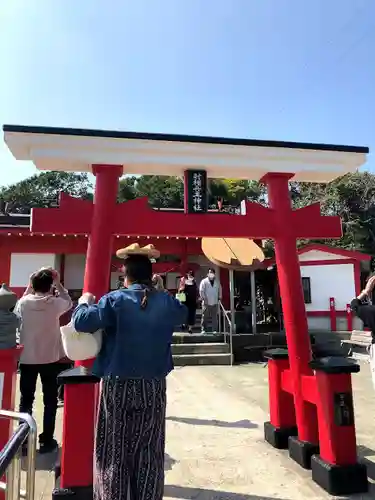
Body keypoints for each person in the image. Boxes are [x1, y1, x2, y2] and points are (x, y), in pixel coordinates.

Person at [72, 244, 187, 500]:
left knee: (114, 449)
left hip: (118, 382)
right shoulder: (165, 301)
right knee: (149, 449)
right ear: (151, 276)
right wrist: (160, 291)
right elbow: (183, 313)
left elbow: (81, 321)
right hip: (153, 384)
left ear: (126, 276)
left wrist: (83, 302)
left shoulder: (115, 300)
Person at [15, 268, 72, 453]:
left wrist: (29, 284)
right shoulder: (54, 303)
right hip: (50, 359)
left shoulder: (23, 303)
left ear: (33, 285)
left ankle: (22, 441)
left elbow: (18, 307)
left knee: (26, 401)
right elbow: (69, 301)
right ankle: (47, 440)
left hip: (27, 359)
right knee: (50, 401)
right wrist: (58, 283)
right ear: (50, 286)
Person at [199, 268, 222, 334]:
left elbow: (220, 290)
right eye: (210, 272)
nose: (211, 273)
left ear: (214, 274)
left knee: (214, 317)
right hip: (206, 302)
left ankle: (214, 330)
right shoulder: (204, 281)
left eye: (212, 272)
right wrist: (203, 298)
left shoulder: (217, 282)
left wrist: (220, 297)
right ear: (207, 274)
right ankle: (203, 329)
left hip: (215, 302)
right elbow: (201, 290)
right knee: (205, 316)